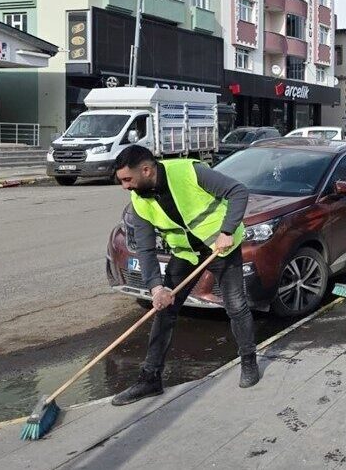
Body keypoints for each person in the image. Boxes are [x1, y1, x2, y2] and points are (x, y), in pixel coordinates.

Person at [111, 145, 258, 405]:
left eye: (127, 179)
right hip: (186, 254)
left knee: (236, 306)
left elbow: (238, 191)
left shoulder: (190, 171)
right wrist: (156, 288)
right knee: (164, 309)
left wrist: (227, 230)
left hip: (220, 248)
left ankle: (249, 361)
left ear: (146, 170)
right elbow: (145, 248)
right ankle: (150, 379)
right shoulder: (139, 200)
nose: (125, 186)